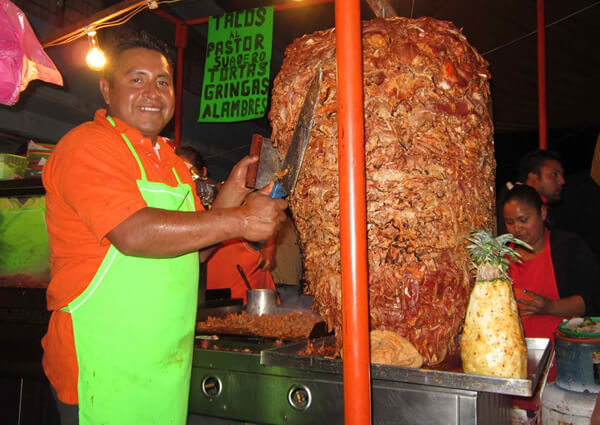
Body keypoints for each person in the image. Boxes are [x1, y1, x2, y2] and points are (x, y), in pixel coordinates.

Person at [41, 33, 287, 425]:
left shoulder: (172, 162)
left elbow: (197, 249)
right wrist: (241, 219)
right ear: (107, 89)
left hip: (164, 364)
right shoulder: (86, 146)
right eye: (136, 79)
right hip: (100, 367)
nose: (152, 92)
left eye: (161, 81)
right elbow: (134, 234)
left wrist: (232, 192)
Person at [503, 185, 599, 372]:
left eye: (524, 220)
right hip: (515, 361)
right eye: (509, 222)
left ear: (543, 213)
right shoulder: (503, 257)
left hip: (567, 360)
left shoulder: (569, 248)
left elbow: (592, 299)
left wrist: (550, 307)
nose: (517, 229)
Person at [497, 149, 565, 234]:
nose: (562, 181)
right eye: (554, 174)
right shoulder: (505, 204)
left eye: (523, 220)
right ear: (533, 178)